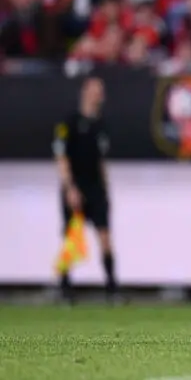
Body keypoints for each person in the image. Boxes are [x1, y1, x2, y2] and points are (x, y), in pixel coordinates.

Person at [53, 77, 117, 303]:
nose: (98, 95)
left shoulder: (102, 126)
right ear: (85, 92)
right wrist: (69, 187)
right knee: (72, 238)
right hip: (76, 186)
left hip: (96, 188)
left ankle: (111, 288)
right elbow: (61, 157)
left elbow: (101, 161)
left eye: (101, 91)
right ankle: (64, 288)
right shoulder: (69, 122)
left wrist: (106, 190)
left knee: (105, 237)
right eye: (94, 90)